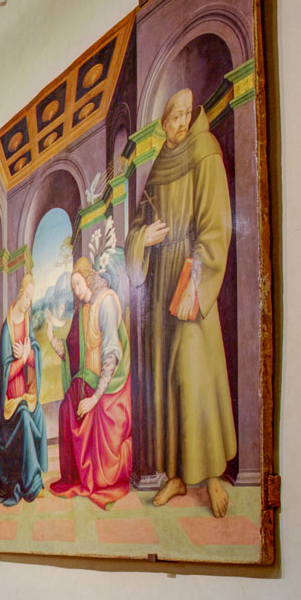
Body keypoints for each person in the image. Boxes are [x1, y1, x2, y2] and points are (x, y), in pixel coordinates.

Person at [127, 87, 239, 516]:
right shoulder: (159, 166)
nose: (181, 123)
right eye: (174, 117)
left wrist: (196, 275)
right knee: (167, 381)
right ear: (163, 123)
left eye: (186, 115)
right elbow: (137, 227)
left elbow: (217, 224)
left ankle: (211, 476)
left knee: (195, 376)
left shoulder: (204, 151)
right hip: (160, 284)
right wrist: (144, 237)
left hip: (191, 277)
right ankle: (176, 474)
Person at [49, 258, 136, 507]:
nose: (76, 290)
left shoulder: (105, 302)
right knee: (67, 408)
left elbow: (111, 355)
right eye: (73, 286)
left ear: (88, 278)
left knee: (82, 413)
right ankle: (77, 473)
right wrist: (52, 338)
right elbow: (72, 352)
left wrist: (95, 398)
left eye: (78, 283)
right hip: (89, 379)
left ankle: (95, 474)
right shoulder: (84, 310)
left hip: (110, 386)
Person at [0, 273, 46, 504]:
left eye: (31, 299)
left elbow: (35, 353)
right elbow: (5, 373)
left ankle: (34, 477)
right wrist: (22, 359)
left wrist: (28, 354)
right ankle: (32, 484)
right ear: (20, 294)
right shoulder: (7, 329)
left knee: (38, 414)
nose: (27, 302)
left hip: (25, 394)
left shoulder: (26, 321)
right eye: (26, 297)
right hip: (9, 404)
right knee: (24, 417)